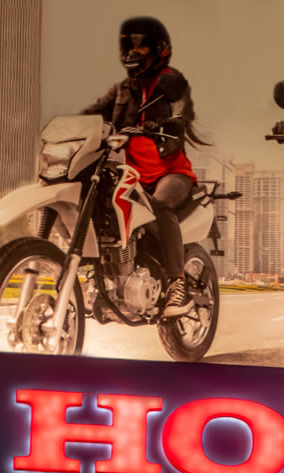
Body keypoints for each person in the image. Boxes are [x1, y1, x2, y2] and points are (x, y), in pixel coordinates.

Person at [82, 17, 203, 317]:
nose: (132, 53)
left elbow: (180, 103)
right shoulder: (121, 90)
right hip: (134, 176)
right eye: (128, 46)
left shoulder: (171, 80)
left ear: (159, 49)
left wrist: (175, 121)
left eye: (140, 47)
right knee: (96, 205)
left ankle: (177, 284)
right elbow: (90, 114)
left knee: (161, 204)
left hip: (171, 173)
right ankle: (101, 280)